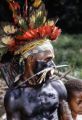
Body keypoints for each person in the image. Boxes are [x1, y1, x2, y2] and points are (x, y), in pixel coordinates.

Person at [0, 0, 68, 120]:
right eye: (47, 59)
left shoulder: (58, 86)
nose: (52, 64)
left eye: (52, 59)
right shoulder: (15, 96)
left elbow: (66, 117)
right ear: (30, 59)